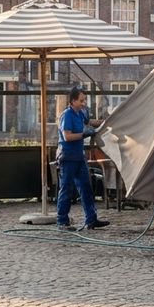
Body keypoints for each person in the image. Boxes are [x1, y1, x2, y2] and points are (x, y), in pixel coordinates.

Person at [56, 88, 109, 231]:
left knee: (86, 188)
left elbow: (90, 121)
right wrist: (84, 134)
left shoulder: (80, 113)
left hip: (79, 157)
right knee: (66, 189)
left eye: (84, 100)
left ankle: (91, 219)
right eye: (81, 100)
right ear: (73, 101)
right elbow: (67, 136)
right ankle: (62, 221)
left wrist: (106, 122)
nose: (83, 103)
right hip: (67, 157)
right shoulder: (66, 115)